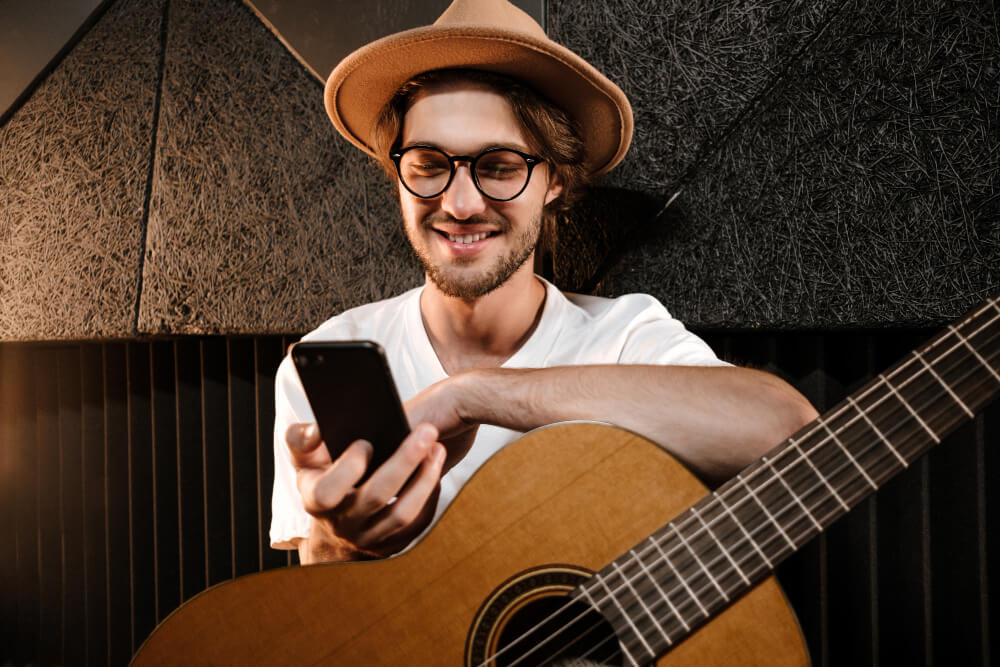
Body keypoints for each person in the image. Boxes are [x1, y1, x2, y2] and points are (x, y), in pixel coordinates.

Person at [270, 0, 818, 564]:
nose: (459, 204)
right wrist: (337, 539)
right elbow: (322, 621)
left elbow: (788, 431)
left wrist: (473, 395)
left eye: (500, 167)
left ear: (553, 180)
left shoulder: (624, 337)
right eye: (429, 165)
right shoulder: (326, 359)